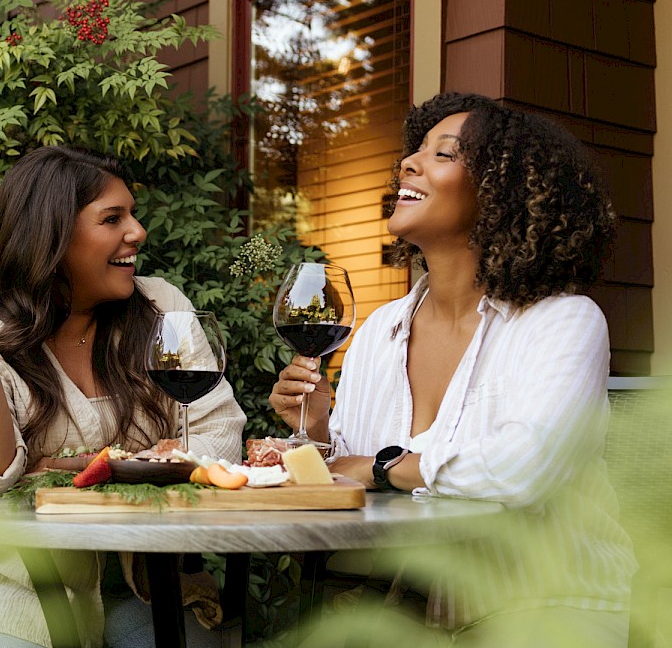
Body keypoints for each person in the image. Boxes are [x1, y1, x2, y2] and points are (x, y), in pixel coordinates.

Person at [269, 93, 637, 645]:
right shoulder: (379, 331)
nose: (408, 164)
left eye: (444, 154)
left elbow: (522, 468)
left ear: (501, 193)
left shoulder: (563, 322)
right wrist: (316, 430)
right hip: (402, 609)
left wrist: (383, 465)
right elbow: (347, 466)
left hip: (541, 606)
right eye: (412, 152)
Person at [0, 146, 245, 647]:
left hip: (148, 586)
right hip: (1, 580)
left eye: (133, 213)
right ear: (52, 236)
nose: (137, 232)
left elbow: (219, 437)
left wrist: (69, 472)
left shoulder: (161, 309)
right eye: (113, 218)